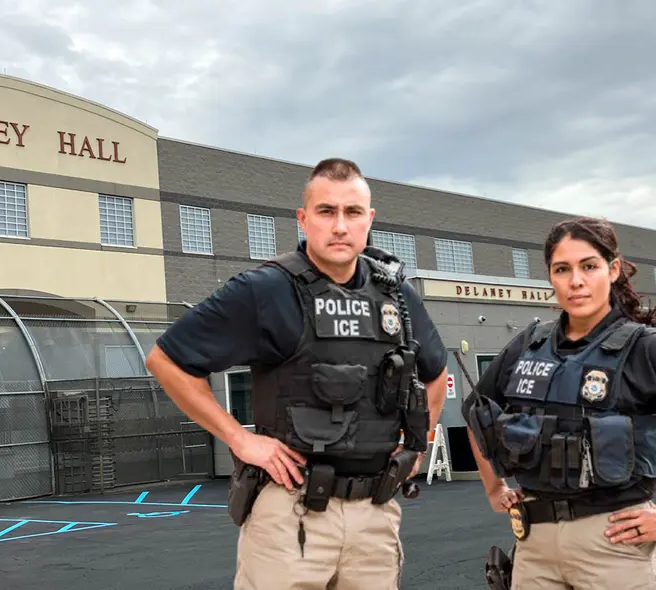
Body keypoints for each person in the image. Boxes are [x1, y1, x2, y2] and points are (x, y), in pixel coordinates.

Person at [145, 157, 449, 590]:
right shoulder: (266, 290)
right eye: (326, 212)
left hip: (374, 517)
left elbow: (434, 373)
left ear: (370, 219)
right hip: (292, 514)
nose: (340, 226)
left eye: (352, 212)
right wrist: (240, 438)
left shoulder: (395, 295)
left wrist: (419, 445)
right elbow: (165, 360)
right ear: (304, 219)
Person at [462, 216, 656, 590]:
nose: (576, 281)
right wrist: (494, 487)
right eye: (562, 269)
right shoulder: (528, 344)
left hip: (613, 542)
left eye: (589, 266)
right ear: (550, 277)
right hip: (534, 544)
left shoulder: (645, 347)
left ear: (612, 270)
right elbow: (475, 413)